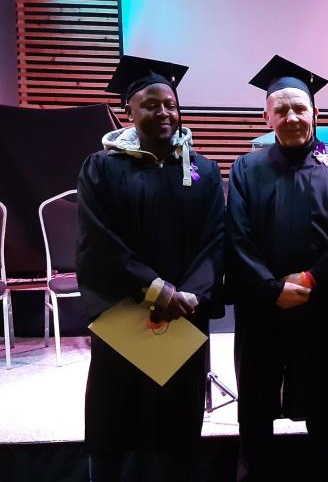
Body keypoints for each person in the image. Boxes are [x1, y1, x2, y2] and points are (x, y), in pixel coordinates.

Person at [76, 55, 225, 481]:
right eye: (150, 104)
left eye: (169, 104)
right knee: (116, 419)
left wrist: (190, 293)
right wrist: (156, 288)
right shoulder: (103, 167)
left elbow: (216, 238)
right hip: (126, 313)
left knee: (177, 425)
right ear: (129, 112)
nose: (163, 112)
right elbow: (99, 241)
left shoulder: (203, 170)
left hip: (184, 316)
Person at [226, 55, 328, 482]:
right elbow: (237, 235)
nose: (291, 117)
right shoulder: (246, 168)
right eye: (281, 109)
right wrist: (271, 289)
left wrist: (310, 278)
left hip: (322, 305)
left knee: (324, 407)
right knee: (255, 407)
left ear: (315, 112)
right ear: (266, 115)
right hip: (262, 309)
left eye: (299, 107)